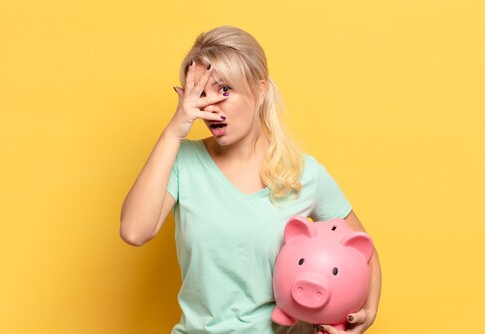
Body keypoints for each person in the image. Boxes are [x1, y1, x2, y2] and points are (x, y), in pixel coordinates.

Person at [119, 26, 382, 334]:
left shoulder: (303, 174)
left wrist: (367, 313)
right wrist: (175, 130)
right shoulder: (182, 162)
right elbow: (134, 231)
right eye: (201, 94)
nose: (211, 106)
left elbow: (363, 251)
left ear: (260, 90)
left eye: (224, 90)